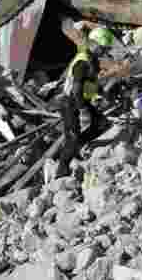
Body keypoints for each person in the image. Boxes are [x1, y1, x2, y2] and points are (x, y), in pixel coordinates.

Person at [57, 25, 114, 177]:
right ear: (94, 44)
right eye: (103, 48)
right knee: (73, 137)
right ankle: (62, 169)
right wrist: (83, 111)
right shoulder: (82, 62)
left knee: (102, 124)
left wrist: (101, 94)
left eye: (106, 49)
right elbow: (76, 89)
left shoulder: (93, 61)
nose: (105, 52)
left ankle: (78, 147)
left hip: (82, 101)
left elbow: (92, 83)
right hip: (70, 102)